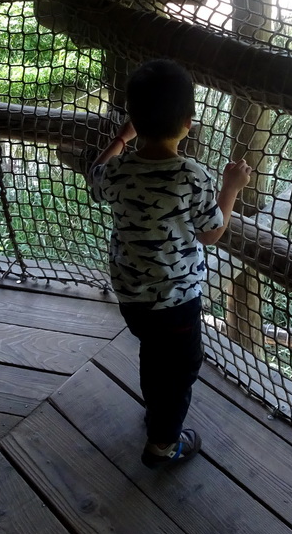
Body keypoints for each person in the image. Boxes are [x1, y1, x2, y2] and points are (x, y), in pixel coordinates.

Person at [89, 59, 251, 468]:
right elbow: (211, 232)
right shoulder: (191, 175)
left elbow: (96, 173)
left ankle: (155, 413)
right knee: (180, 371)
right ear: (187, 122)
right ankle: (163, 445)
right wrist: (231, 187)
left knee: (153, 353)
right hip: (175, 301)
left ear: (134, 120)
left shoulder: (120, 171)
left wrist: (122, 138)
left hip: (131, 297)